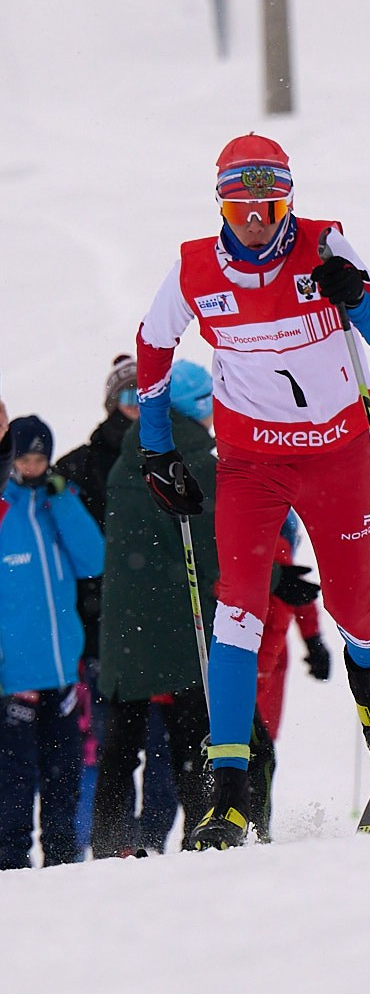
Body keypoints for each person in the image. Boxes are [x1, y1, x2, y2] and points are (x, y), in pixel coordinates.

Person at [133, 134, 370, 850]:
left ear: (287, 199)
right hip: (251, 462)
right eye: (239, 207)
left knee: (351, 602)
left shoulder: (328, 245)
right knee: (238, 606)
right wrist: (156, 444)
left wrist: (354, 299)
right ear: (222, 207)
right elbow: (151, 342)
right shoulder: (196, 267)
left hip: (336, 452)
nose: (255, 221)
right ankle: (227, 791)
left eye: (268, 204)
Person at [92, 361, 217, 856]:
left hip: (127, 625)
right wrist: (273, 577)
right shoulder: (196, 460)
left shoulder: (129, 456)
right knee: (195, 742)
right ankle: (203, 836)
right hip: (178, 625)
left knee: (124, 743)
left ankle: (108, 843)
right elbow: (212, 552)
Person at [0, 417, 105, 867]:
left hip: (62, 674)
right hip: (13, 678)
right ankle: (11, 862)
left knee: (63, 775)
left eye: (39, 457)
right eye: (23, 456)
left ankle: (63, 860)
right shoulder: (4, 507)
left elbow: (93, 559)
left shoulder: (59, 501)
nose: (32, 465)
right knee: (14, 779)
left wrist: (62, 501)